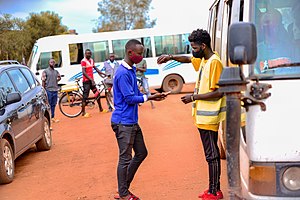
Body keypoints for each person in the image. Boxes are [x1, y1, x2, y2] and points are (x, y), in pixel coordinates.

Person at [157, 29, 225, 200]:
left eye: (194, 48)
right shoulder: (204, 59)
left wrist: (192, 97)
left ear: (203, 46)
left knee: (212, 155)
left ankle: (215, 191)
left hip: (210, 117)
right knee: (210, 154)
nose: (192, 51)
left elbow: (219, 92)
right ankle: (212, 189)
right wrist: (171, 57)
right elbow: (188, 59)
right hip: (203, 117)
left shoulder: (214, 62)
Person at [111, 39, 169, 200]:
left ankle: (123, 188)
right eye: (139, 53)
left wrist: (152, 97)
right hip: (123, 122)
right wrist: (148, 98)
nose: (141, 56)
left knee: (142, 152)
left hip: (130, 121)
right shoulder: (122, 73)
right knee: (125, 158)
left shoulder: (131, 70)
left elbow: (136, 93)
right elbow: (130, 98)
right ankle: (123, 193)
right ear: (130, 53)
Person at [81, 49, 108, 118]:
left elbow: (95, 68)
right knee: (85, 97)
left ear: (91, 54)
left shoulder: (92, 60)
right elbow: (84, 72)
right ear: (85, 54)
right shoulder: (83, 61)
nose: (88, 55)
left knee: (97, 94)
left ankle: (101, 109)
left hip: (91, 81)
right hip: (86, 81)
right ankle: (83, 113)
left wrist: (102, 74)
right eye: (87, 53)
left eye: (89, 53)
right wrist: (91, 79)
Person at [42, 58, 61, 126]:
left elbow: (59, 77)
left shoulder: (56, 71)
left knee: (54, 104)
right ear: (49, 63)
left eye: (53, 62)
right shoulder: (45, 71)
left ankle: (53, 117)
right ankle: (49, 118)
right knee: (48, 105)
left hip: (55, 90)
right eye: (51, 62)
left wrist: (56, 81)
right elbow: (43, 80)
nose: (52, 63)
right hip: (48, 90)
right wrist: (43, 90)